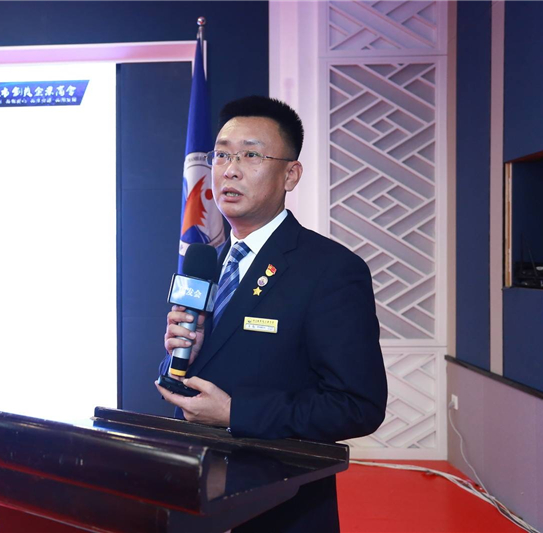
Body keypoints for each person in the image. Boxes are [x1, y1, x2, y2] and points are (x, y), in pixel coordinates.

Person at [156, 95, 387, 532]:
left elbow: (358, 406)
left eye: (251, 155)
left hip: (278, 507)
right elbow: (202, 376)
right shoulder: (209, 262)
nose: (230, 169)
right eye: (222, 154)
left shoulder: (331, 270)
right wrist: (180, 357)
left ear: (290, 174)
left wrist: (236, 413)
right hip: (193, 493)